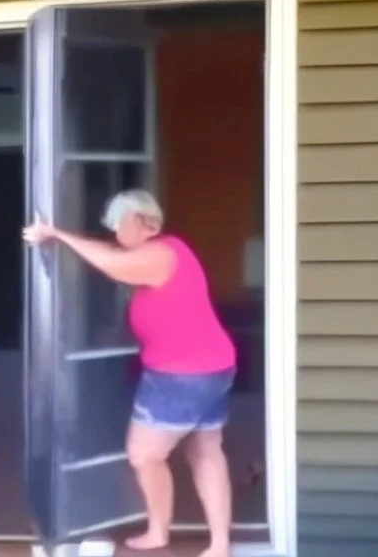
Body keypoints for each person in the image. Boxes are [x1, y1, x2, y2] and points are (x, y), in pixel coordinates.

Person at [22, 189, 236, 557]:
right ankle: (219, 545)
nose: (116, 234)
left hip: (180, 376)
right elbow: (165, 307)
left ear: (144, 224)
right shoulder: (172, 251)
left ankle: (158, 532)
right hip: (213, 367)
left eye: (119, 225)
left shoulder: (160, 254)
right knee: (205, 451)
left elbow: (110, 264)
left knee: (144, 454)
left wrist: (57, 234)